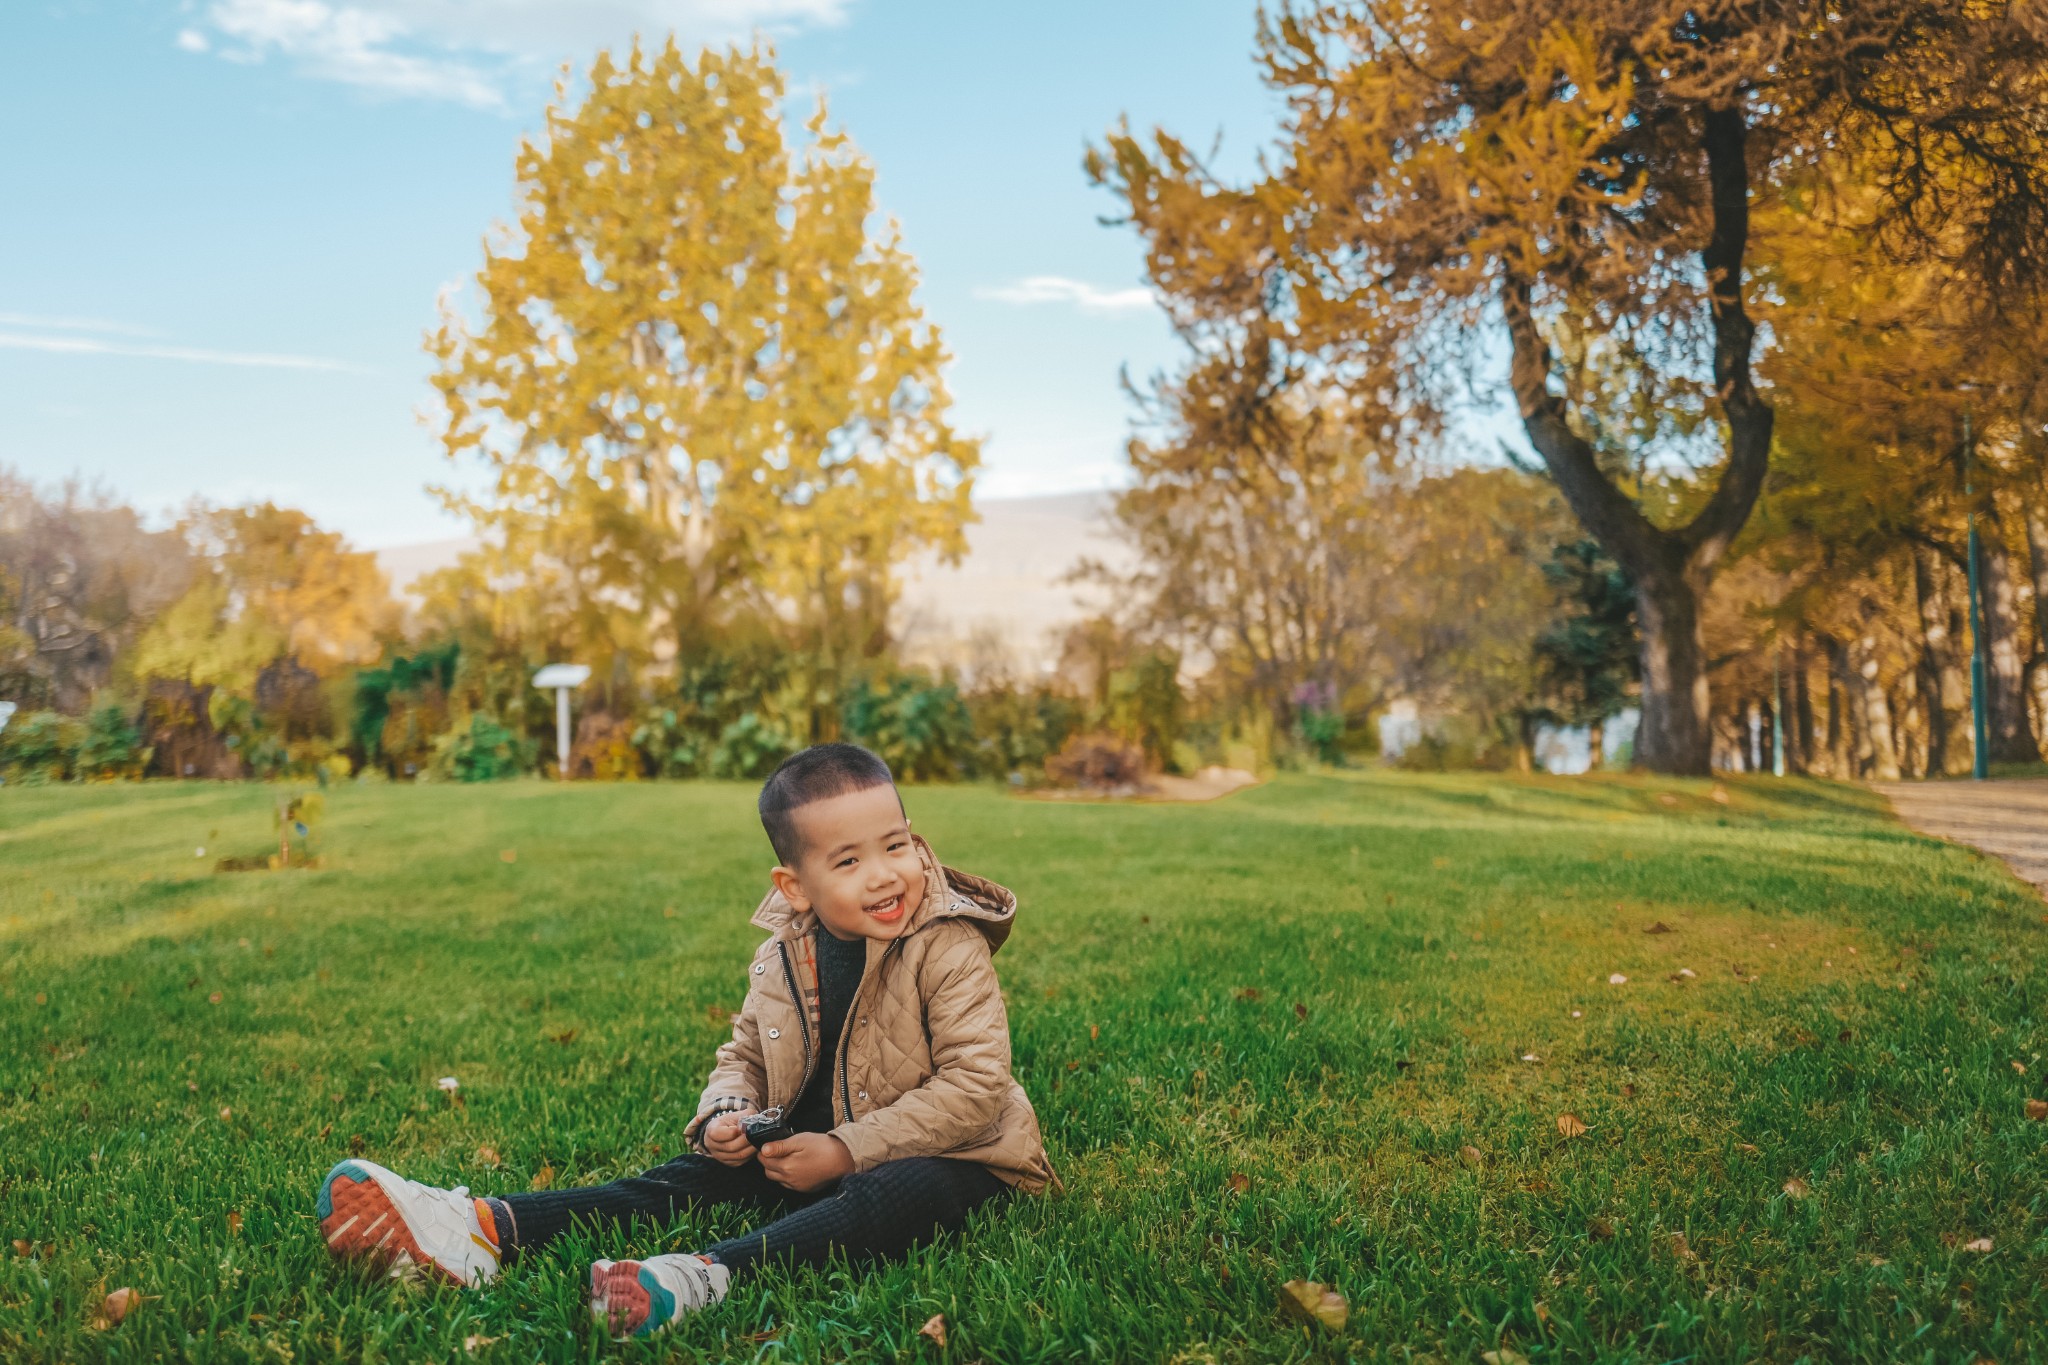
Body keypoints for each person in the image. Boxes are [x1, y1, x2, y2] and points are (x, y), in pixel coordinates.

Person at [314, 743, 1051, 1338]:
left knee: (885, 1196)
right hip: (815, 1144)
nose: (885, 873)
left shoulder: (948, 944)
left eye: (895, 844)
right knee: (692, 1174)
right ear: (795, 886)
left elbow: (975, 1088)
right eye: (848, 860)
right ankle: (482, 1227)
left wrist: (846, 1149)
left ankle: (701, 1275)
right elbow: (742, 1056)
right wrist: (726, 1113)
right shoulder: (783, 952)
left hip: (964, 1156)